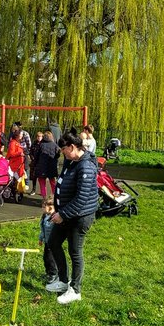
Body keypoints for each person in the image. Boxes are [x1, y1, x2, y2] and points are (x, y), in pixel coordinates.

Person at [45, 130, 98, 305]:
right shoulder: (71, 161)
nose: (63, 153)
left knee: (75, 251)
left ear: (73, 147)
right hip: (65, 214)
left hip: (80, 217)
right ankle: (62, 280)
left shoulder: (86, 166)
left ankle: (75, 289)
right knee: (53, 243)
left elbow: (81, 198)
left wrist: (62, 214)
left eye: (64, 150)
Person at [34, 131, 59, 198]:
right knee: (52, 183)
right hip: (52, 166)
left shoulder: (41, 145)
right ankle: (54, 197)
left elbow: (36, 156)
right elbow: (57, 155)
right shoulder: (54, 145)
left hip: (42, 166)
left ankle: (44, 198)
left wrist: (35, 165)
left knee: (42, 183)